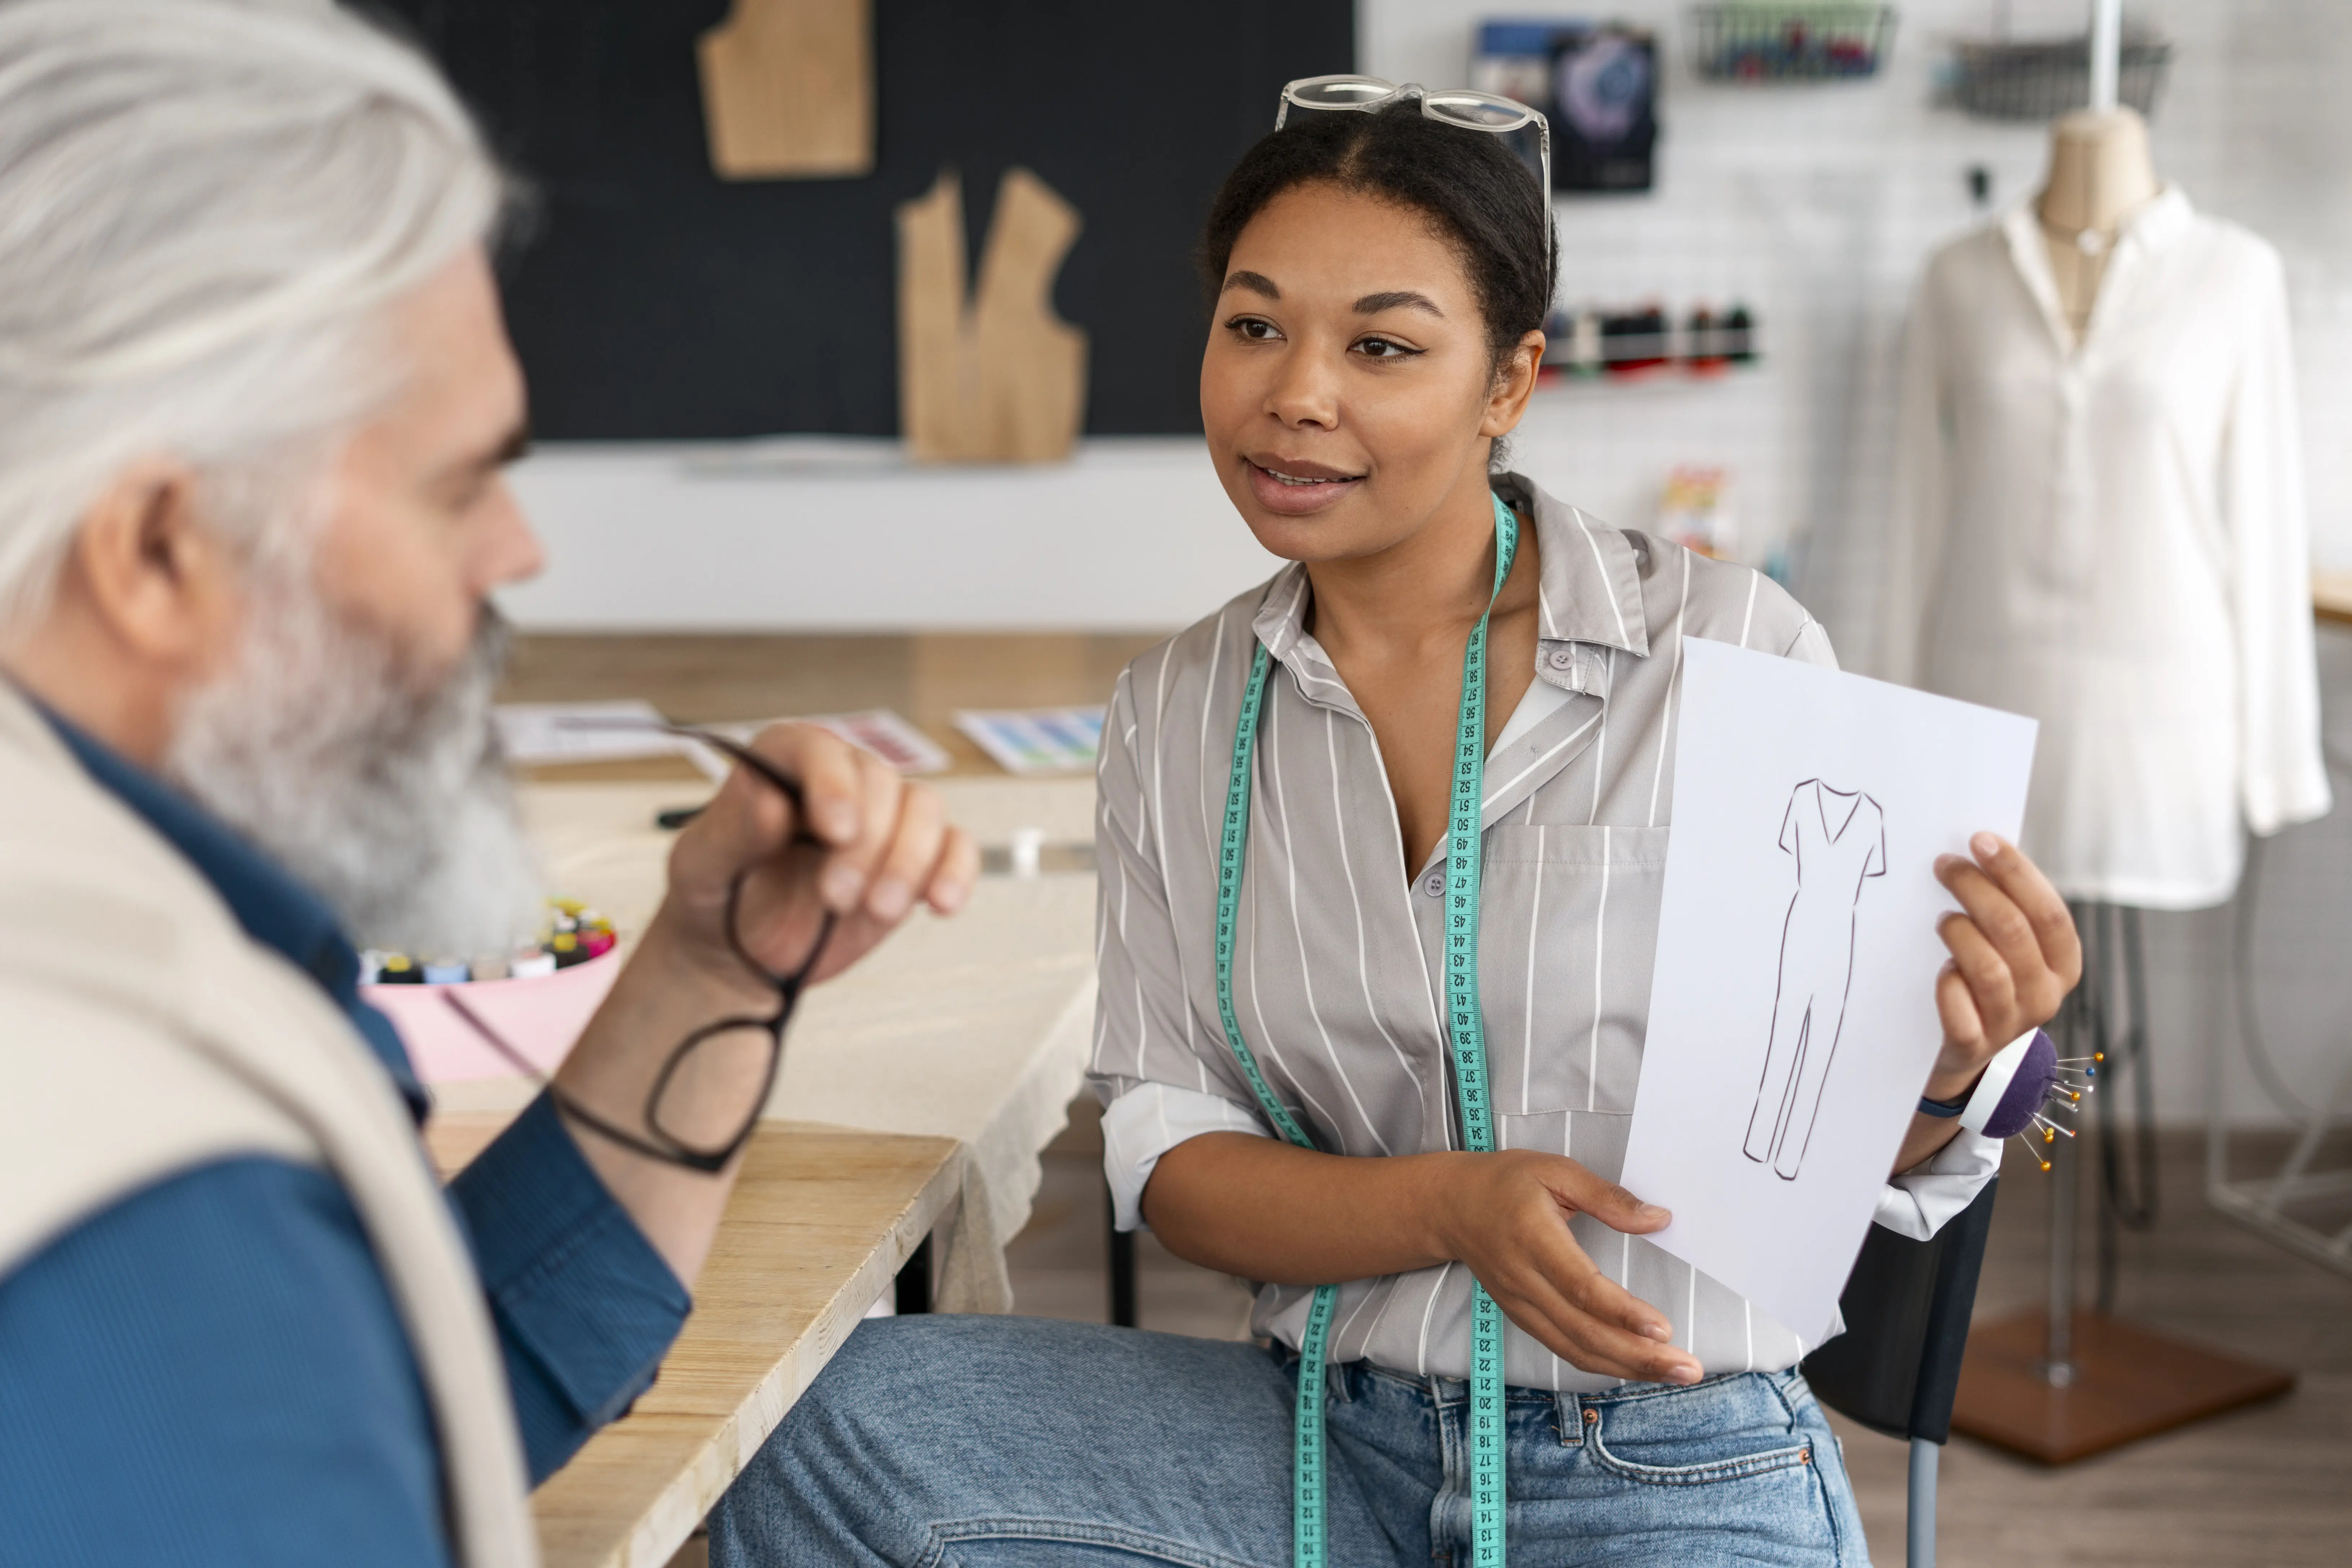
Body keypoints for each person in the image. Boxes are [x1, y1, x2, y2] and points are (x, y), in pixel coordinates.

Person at [712, 89, 2080, 1567]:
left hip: (1661, 1452)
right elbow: (1171, 1157)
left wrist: (1945, 1065)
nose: (1295, 393)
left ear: (1508, 382)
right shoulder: (1177, 708)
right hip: (1314, 1432)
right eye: (1253, 327)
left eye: (1379, 345)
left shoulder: (1731, 655)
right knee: (834, 1429)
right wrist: (1446, 1207)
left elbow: (1845, 1143)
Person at [0, 4, 975, 1564]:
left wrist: (709, 967)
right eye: (460, 482)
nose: (517, 551)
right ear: (156, 550)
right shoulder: (152, 1233)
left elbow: (419, 1377)